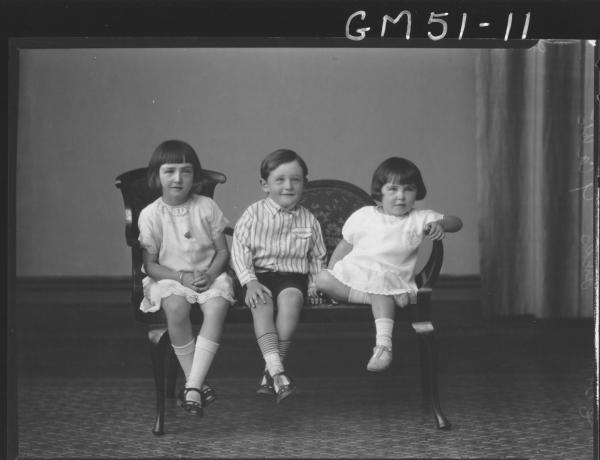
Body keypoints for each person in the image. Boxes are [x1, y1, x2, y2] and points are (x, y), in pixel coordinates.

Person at [316, 157, 462, 372]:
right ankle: (381, 300)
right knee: (322, 278)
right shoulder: (364, 215)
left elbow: (457, 222)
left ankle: (384, 346)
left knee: (380, 287)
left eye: (409, 189)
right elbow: (345, 246)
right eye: (392, 189)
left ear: (417, 193)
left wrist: (440, 223)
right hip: (356, 276)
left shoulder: (419, 218)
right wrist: (333, 269)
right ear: (380, 192)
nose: (401, 196)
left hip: (390, 279)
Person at [138, 139, 235, 417]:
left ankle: (192, 385)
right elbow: (151, 266)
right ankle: (197, 385)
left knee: (217, 306)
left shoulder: (206, 207)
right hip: (169, 277)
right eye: (170, 171)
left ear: (196, 176)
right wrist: (181, 277)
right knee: (176, 307)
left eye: (186, 171)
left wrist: (211, 274)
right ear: (156, 176)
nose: (178, 178)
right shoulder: (151, 214)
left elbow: (221, 252)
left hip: (208, 275)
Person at [231, 149, 327, 403]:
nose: (288, 186)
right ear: (265, 185)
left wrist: (315, 286)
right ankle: (277, 372)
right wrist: (249, 282)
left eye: (296, 180)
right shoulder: (253, 214)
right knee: (261, 302)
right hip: (257, 276)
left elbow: (317, 257)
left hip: (291, 277)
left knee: (292, 299)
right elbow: (239, 249)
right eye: (280, 180)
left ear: (305, 183)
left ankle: (271, 373)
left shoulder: (309, 219)